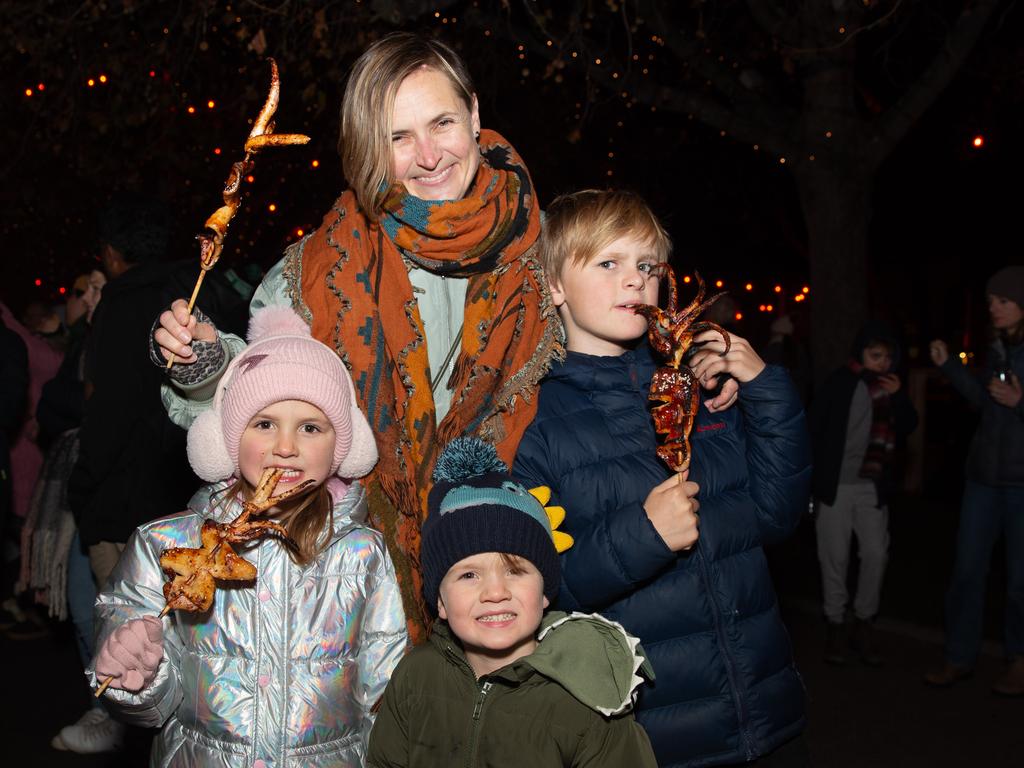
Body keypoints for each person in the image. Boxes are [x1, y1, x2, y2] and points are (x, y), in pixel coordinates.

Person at [153, 33, 735, 642]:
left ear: (475, 116)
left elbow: (623, 326)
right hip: (349, 581)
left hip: (509, 574)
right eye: (398, 137)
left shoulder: (539, 248)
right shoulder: (322, 268)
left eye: (442, 123)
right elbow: (262, 401)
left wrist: (695, 369)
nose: (428, 155)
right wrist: (203, 364)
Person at [512, 190, 812, 767]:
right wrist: (643, 536)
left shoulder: (697, 389)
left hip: (768, 714)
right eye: (608, 263)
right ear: (553, 286)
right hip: (651, 741)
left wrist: (763, 388)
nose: (635, 281)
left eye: (647, 266)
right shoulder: (533, 424)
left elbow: (777, 517)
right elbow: (536, 591)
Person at [88, 306, 407, 766]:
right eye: (264, 424)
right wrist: (137, 674)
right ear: (226, 439)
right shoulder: (164, 545)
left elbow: (385, 687)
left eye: (311, 427)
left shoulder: (363, 552)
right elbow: (150, 704)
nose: (286, 446)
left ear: (342, 446)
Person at [368, 436, 657, 767]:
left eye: (515, 571)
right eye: (468, 576)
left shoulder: (590, 695)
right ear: (441, 602)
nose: (495, 592)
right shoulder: (415, 676)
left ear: (546, 591)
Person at [68, 195, 248, 597]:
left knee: (124, 639)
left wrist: (82, 489)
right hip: (198, 501)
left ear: (111, 253)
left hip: (124, 504)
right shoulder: (205, 289)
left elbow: (108, 408)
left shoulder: (120, 305)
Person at [924, 265, 1024, 696]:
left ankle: (1019, 661)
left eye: (1002, 301)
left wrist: (1022, 402)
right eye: (990, 302)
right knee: (966, 571)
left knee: (1021, 581)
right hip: (983, 478)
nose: (994, 309)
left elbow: (1010, 405)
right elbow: (985, 403)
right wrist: (949, 367)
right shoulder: (997, 347)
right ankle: (959, 657)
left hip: (1023, 485)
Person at [808, 321, 918, 666]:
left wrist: (899, 396)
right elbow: (814, 427)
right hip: (836, 487)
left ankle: (864, 620)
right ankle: (836, 624)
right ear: (861, 352)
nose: (882, 363)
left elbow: (909, 426)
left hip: (871, 486)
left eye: (888, 357)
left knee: (876, 553)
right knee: (834, 557)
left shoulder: (890, 388)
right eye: (875, 355)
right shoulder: (840, 382)